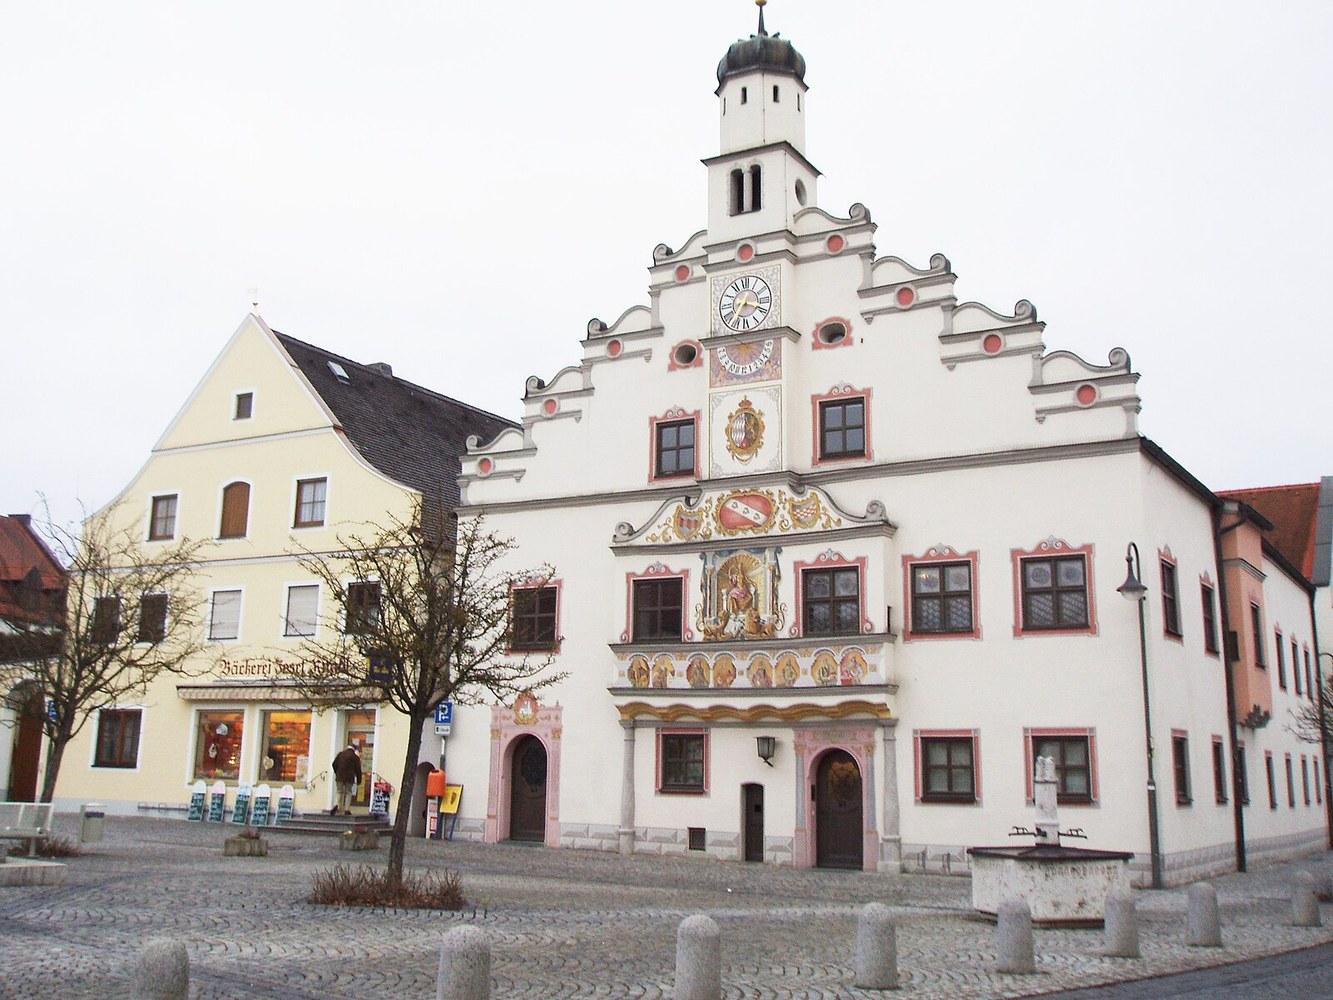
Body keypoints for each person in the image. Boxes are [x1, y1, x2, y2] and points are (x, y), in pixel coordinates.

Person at [331, 742, 362, 816]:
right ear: (354, 749)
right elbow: (358, 769)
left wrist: (337, 772)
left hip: (339, 776)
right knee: (348, 792)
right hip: (349, 777)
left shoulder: (340, 754)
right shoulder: (355, 757)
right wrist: (359, 780)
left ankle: (337, 806)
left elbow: (334, 764)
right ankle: (347, 809)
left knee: (339, 791)